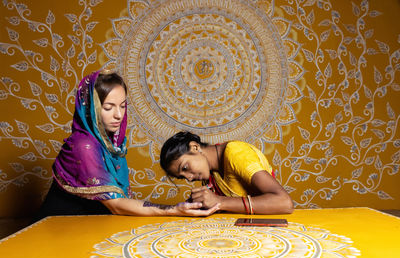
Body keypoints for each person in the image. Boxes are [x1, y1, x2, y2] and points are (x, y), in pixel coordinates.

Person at [34, 71, 219, 221]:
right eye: (108, 108)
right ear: (91, 108)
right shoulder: (84, 146)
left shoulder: (112, 146)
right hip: (60, 230)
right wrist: (172, 209)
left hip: (91, 227)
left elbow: (120, 203)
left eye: (122, 106)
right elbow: (115, 204)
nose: (118, 115)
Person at [160, 131, 294, 215]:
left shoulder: (235, 154)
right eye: (182, 177)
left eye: (184, 168)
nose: (189, 178)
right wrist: (196, 206)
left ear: (194, 147)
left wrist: (218, 201)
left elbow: (284, 203)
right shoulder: (210, 174)